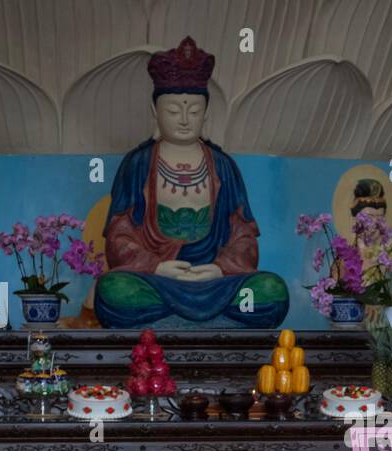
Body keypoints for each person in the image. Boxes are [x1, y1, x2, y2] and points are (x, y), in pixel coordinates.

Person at [93, 36, 289, 329]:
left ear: (206, 113)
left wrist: (220, 269)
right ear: (154, 111)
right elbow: (120, 235)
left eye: (194, 111)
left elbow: (243, 235)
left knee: (271, 291)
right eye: (173, 111)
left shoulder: (223, 165)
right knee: (113, 291)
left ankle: (178, 322)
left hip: (216, 283)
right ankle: (205, 323)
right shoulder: (137, 164)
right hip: (157, 282)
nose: (184, 119)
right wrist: (157, 267)